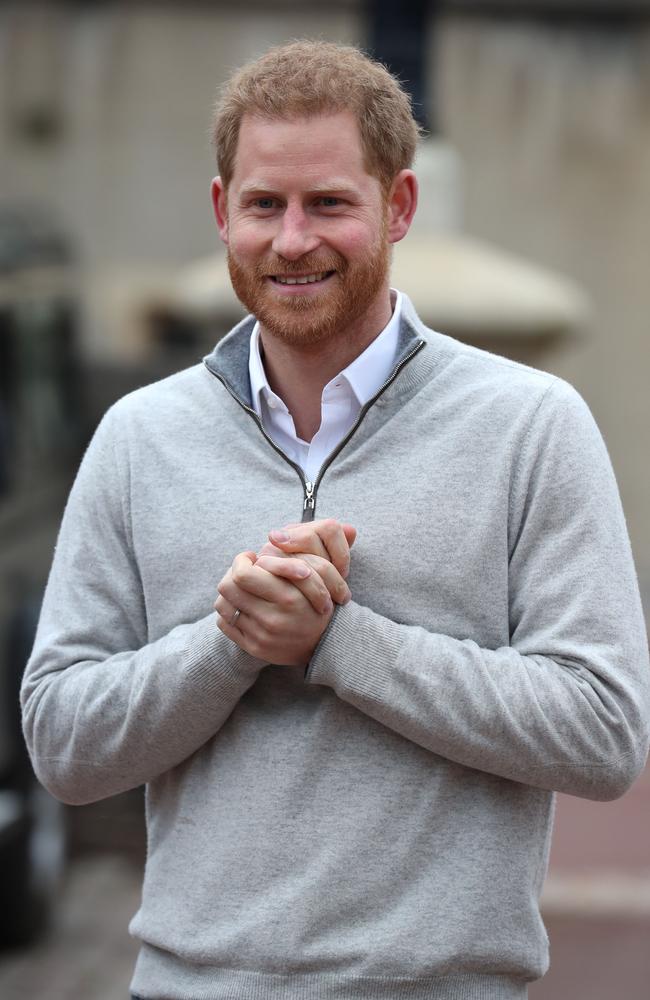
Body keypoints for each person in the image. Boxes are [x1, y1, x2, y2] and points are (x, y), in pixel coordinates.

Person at [21, 40, 649, 1000]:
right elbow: (62, 744)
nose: (292, 239)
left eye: (330, 204)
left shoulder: (530, 426)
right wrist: (229, 644)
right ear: (221, 208)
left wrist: (340, 644)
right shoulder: (138, 439)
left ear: (397, 206)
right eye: (265, 204)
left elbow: (604, 734)